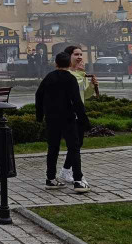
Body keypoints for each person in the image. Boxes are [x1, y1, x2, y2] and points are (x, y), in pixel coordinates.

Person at [36, 52, 91, 193]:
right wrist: (84, 120)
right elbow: (77, 101)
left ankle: (50, 179)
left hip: (51, 119)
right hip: (68, 118)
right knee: (74, 148)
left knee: (53, 148)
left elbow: (38, 95)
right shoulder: (70, 79)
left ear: (55, 64)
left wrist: (39, 116)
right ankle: (78, 181)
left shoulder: (49, 77)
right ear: (68, 64)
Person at [60, 45, 97, 185]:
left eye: (81, 54)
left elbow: (85, 94)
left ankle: (65, 170)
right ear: (69, 57)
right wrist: (82, 75)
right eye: (76, 54)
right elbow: (73, 84)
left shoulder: (81, 73)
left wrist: (92, 86)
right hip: (68, 114)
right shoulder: (65, 73)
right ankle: (77, 176)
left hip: (79, 113)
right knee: (74, 145)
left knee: (78, 143)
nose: (80, 57)